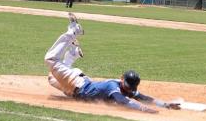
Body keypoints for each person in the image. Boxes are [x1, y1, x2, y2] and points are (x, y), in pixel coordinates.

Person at [44, 13, 180, 113]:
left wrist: (165, 105)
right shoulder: (112, 87)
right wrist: (147, 110)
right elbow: (125, 102)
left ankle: (73, 53)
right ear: (122, 79)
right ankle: (74, 31)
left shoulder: (125, 88)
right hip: (76, 83)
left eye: (130, 88)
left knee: (51, 78)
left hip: (75, 89)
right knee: (50, 60)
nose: (128, 90)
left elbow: (143, 97)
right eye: (127, 86)